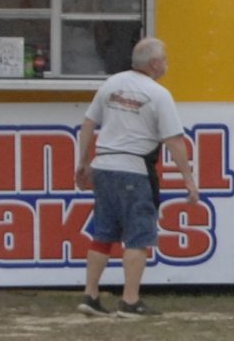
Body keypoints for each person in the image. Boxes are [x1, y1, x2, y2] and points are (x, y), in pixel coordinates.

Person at [75, 37, 194, 318]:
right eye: (164, 59)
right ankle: (130, 301)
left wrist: (83, 162)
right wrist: (188, 178)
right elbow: (174, 140)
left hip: (103, 165)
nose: (166, 64)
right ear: (154, 64)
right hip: (134, 169)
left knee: (103, 233)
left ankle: (90, 296)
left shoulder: (111, 84)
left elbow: (89, 123)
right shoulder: (158, 94)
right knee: (138, 237)